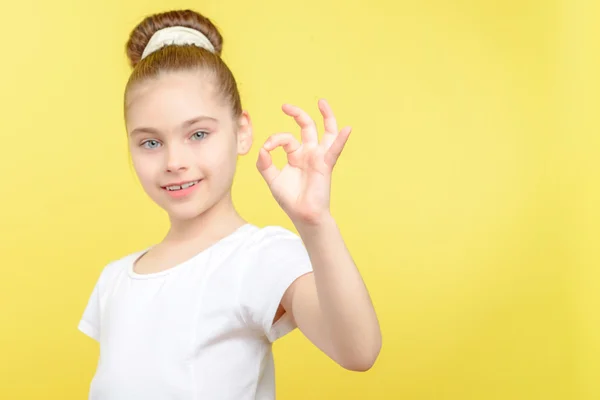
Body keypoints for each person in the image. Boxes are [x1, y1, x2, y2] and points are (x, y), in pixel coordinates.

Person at [78, 8, 381, 400]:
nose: (174, 162)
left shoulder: (259, 256)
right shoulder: (114, 280)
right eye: (150, 142)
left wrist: (315, 223)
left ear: (241, 133)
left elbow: (358, 350)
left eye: (198, 133)